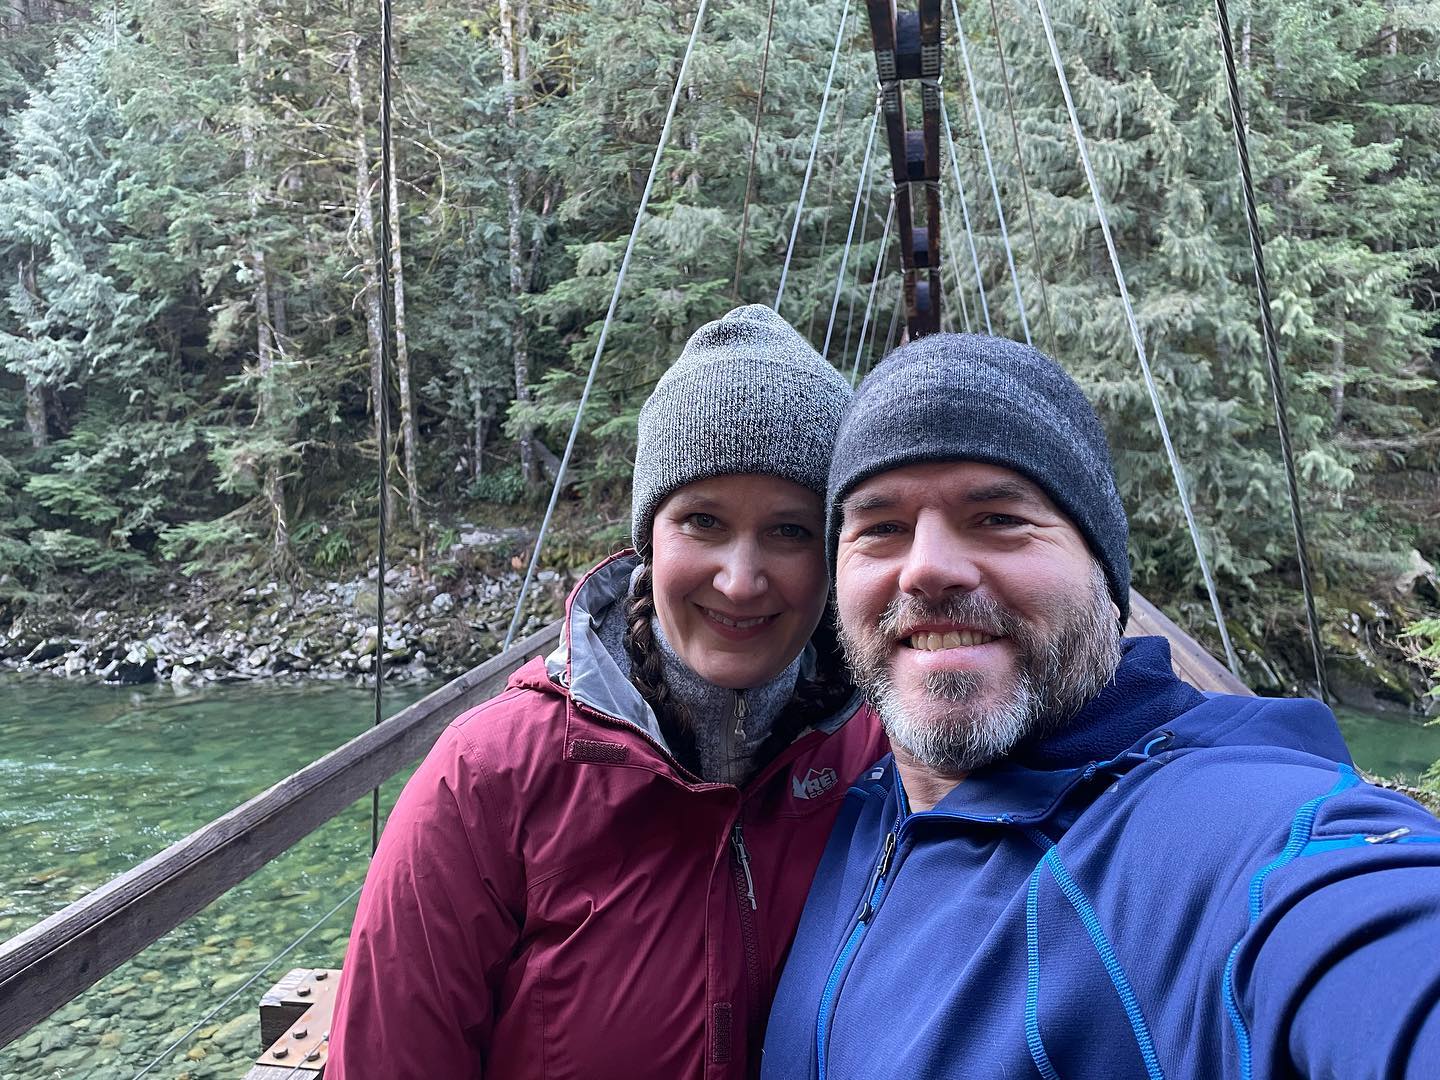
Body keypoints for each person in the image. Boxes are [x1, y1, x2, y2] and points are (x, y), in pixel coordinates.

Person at [761, 333, 1440, 1079]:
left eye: (999, 518)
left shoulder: (1209, 832)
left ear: (1105, 574)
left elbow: (1364, 929)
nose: (926, 568)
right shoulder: (839, 806)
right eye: (881, 528)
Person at [328, 305, 886, 1079]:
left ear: (830, 555)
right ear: (647, 539)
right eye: (702, 520)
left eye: (790, 531)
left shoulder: (890, 764)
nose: (741, 578)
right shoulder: (488, 781)